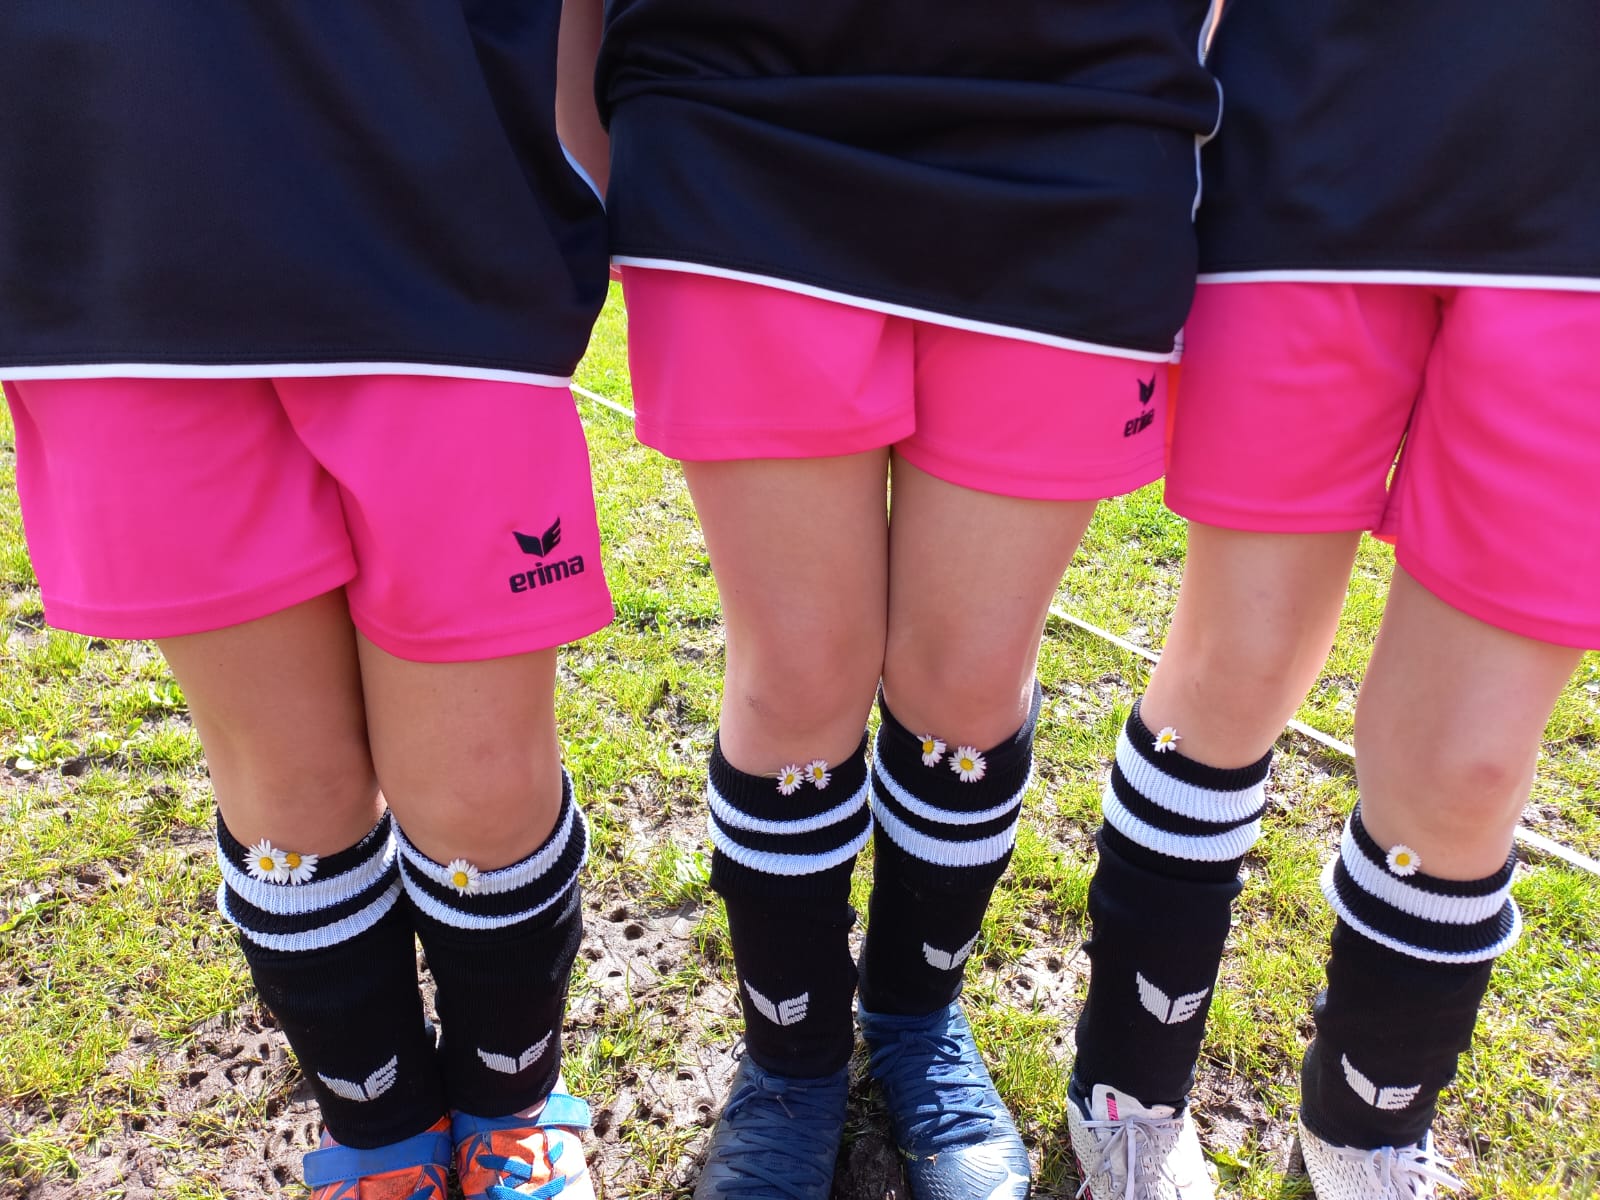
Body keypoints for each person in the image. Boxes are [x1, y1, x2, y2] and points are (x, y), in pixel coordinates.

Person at [586, 2, 1224, 1195]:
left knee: (967, 680)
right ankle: (793, 1060)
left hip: (1081, 134)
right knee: (797, 674)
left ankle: (913, 1015)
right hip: (738, 125)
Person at [0, 4, 613, 1197]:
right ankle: (382, 1142)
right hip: (107, 247)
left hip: (438, 243)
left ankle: (510, 1117)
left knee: (479, 783)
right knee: (289, 789)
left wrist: (572, 174)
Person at [1065, 1, 1600, 1197]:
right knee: (1233, 669)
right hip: (1315, 143)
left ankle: (1365, 1127)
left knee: (1470, 767)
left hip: (1581, 221)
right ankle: (1128, 1082)